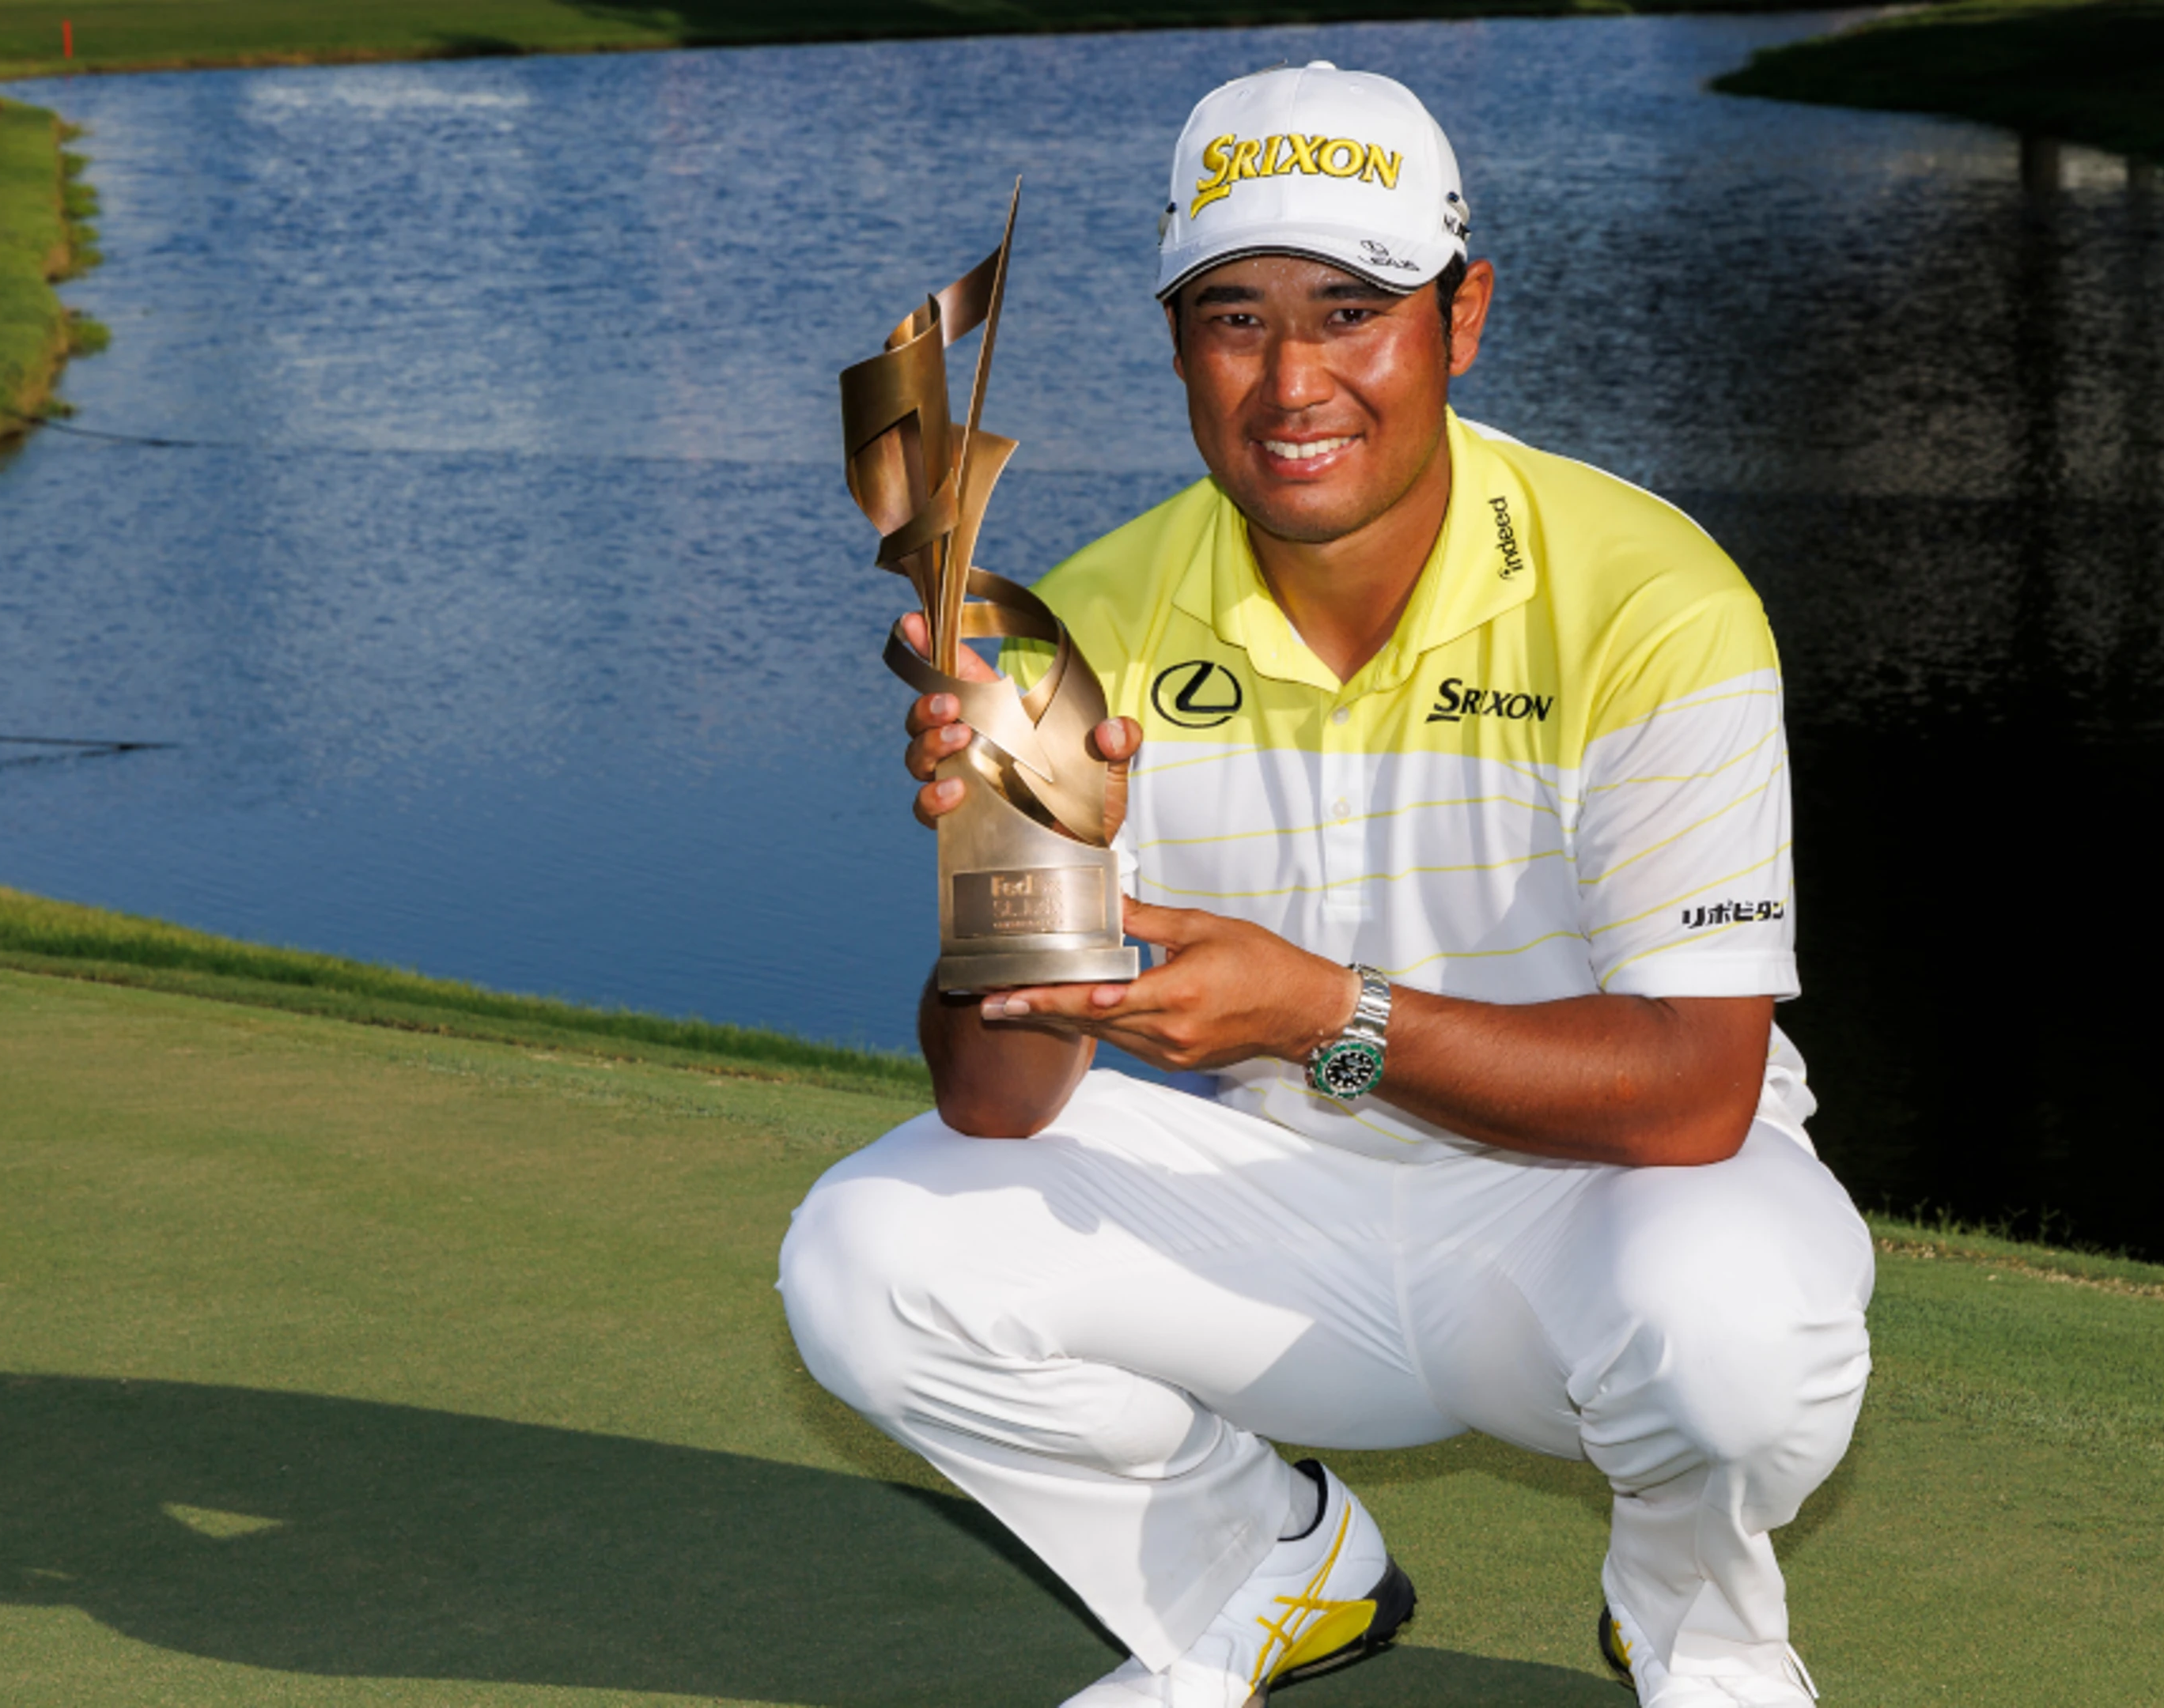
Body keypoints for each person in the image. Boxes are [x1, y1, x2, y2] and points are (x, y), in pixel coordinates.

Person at [777, 61, 1872, 1708]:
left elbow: (1695, 1093)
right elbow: (1002, 1103)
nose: (1292, 380)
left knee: (1735, 1327)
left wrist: (1319, 1015)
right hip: (1263, 1217)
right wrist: (1011, 863)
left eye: (1352, 308)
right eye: (1233, 315)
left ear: (1462, 315)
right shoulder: (1083, 620)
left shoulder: (1653, 594)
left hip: (1589, 1210)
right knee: (865, 1259)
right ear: (1174, 341)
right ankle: (1257, 1577)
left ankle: (1693, 1613)